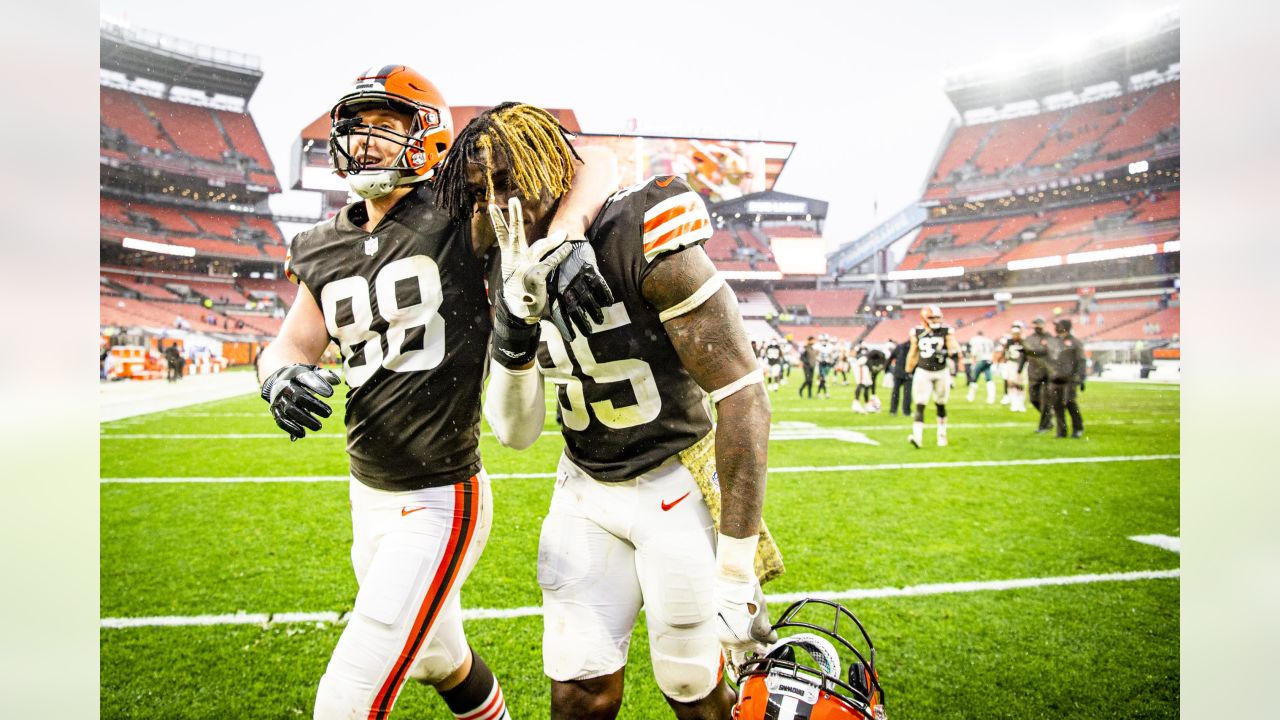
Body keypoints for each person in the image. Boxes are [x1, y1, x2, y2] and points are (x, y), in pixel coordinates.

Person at [255, 67, 616, 720]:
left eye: (383, 127)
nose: (363, 142)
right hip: (366, 493)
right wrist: (277, 374)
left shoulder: (456, 212)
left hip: (439, 496)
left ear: (427, 136)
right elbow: (291, 342)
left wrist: (569, 236)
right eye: (353, 127)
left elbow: (597, 162)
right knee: (439, 659)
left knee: (343, 701)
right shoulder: (319, 244)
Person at [441, 102, 780, 720]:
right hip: (583, 487)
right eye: (478, 192)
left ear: (552, 163)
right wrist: (514, 333)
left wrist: (734, 564)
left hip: (672, 484)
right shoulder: (494, 253)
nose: (495, 205)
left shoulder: (640, 228)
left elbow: (742, 392)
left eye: (508, 183)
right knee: (577, 691)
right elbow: (516, 435)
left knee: (692, 685)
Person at [906, 305, 959, 448]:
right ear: (924, 318)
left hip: (941, 371)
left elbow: (953, 349)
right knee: (920, 404)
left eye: (937, 317)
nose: (935, 320)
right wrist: (908, 370)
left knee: (940, 404)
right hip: (923, 371)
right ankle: (917, 437)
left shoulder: (946, 331)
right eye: (932, 317)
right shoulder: (917, 332)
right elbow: (913, 352)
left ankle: (942, 435)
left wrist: (949, 352)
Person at [1045, 318, 1086, 438]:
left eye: (1058, 325)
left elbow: (1081, 360)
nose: (1056, 327)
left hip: (1070, 378)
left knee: (1070, 403)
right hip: (1055, 378)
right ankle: (1061, 431)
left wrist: (1080, 377)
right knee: (1057, 405)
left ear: (1066, 327)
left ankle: (1078, 428)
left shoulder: (1075, 342)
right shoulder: (1053, 341)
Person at [1022, 316, 1054, 432]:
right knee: (1033, 399)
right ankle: (1049, 416)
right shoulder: (1029, 339)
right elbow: (1025, 353)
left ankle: (1044, 426)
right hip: (1033, 373)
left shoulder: (1050, 338)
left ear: (1044, 324)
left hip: (1047, 373)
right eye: (1035, 324)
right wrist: (1019, 369)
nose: (1037, 326)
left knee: (1045, 400)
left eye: (1039, 324)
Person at [995, 323, 1028, 412]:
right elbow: (1004, 352)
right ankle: (1014, 403)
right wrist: (999, 361)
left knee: (1020, 384)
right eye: (1014, 333)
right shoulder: (1009, 341)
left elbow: (1026, 354)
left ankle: (1021, 404)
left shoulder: (1023, 341)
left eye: (1017, 333)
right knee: (1012, 384)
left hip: (1021, 364)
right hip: (1011, 363)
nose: (1016, 335)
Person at [966, 329, 997, 404]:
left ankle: (971, 396)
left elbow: (973, 351)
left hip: (981, 359)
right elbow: (993, 351)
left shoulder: (975, 340)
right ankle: (991, 398)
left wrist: (973, 359)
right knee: (989, 379)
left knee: (974, 379)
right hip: (988, 360)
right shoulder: (988, 340)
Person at [885, 336, 913, 417]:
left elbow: (891, 357)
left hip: (898, 372)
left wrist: (886, 369)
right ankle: (906, 411)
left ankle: (893, 411)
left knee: (895, 392)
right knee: (907, 393)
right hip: (908, 373)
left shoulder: (900, 346)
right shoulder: (913, 347)